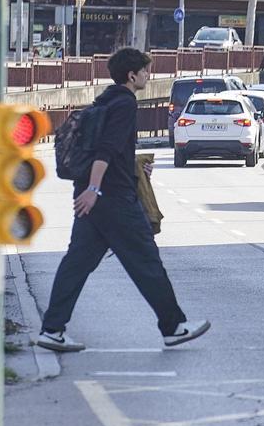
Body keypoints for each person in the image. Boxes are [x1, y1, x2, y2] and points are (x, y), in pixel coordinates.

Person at [39, 48, 210, 352]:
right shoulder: (125, 105)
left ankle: (52, 329)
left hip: (94, 196)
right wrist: (96, 189)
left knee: (76, 264)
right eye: (145, 71)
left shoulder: (105, 101)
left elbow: (113, 152)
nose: (148, 75)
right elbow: (106, 149)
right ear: (132, 76)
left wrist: (113, 178)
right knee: (146, 261)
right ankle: (173, 327)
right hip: (113, 199)